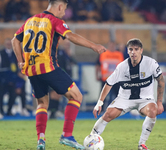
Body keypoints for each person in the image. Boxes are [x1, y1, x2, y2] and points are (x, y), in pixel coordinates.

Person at [11, 0, 106, 149]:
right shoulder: (55, 21)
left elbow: (14, 40)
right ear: (60, 6)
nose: (64, 12)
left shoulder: (30, 20)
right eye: (65, 9)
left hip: (31, 69)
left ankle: (41, 139)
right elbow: (71, 36)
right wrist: (94, 46)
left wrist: (20, 61)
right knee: (76, 96)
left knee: (42, 103)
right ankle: (67, 135)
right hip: (48, 67)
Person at [90, 38, 165, 150]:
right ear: (128, 51)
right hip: (124, 98)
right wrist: (99, 103)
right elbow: (108, 84)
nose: (133, 52)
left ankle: (142, 144)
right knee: (108, 114)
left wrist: (159, 102)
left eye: (136, 49)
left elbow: (161, 81)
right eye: (130, 49)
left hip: (145, 99)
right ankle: (91, 139)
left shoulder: (151, 63)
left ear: (141, 50)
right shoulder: (122, 67)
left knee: (153, 110)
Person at [96, 41, 124, 112]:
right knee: (103, 97)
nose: (112, 46)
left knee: (118, 96)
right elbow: (98, 65)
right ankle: (100, 110)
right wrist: (97, 75)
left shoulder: (119, 54)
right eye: (110, 45)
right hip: (106, 79)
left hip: (116, 80)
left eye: (113, 45)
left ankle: (119, 110)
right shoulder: (103, 54)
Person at [0, 38, 18, 117]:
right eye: (7, 44)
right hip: (2, 78)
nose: (8, 45)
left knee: (13, 94)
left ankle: (9, 110)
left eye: (10, 44)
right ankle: (1, 111)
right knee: (1, 95)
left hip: (13, 78)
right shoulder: (1, 53)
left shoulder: (15, 54)